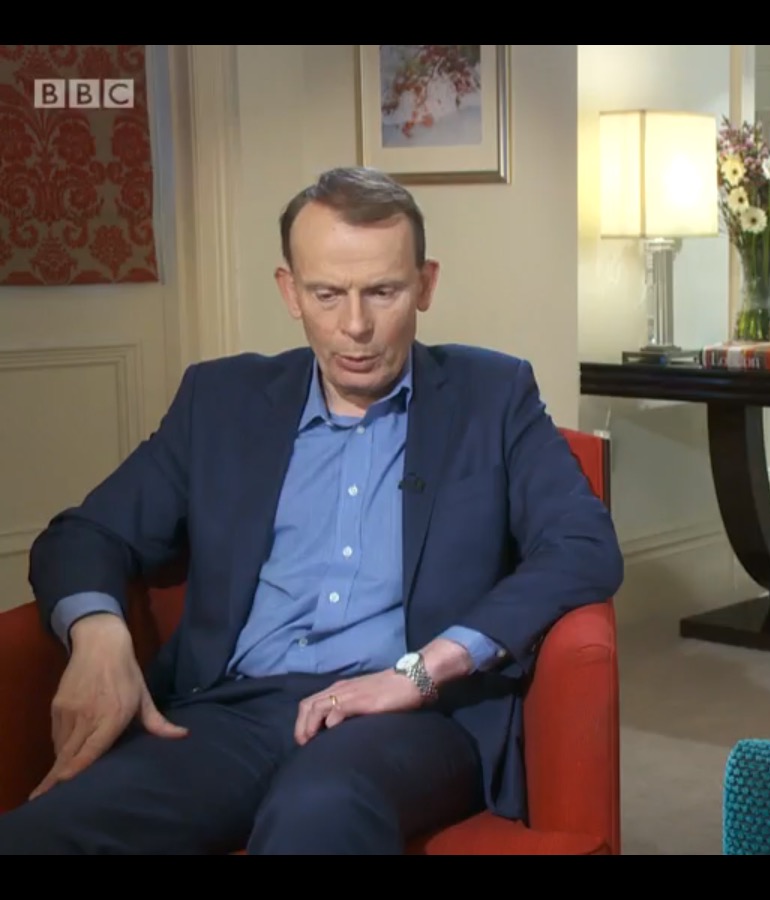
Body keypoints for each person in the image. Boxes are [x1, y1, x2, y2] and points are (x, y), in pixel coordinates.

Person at [0, 166, 624, 854]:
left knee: (318, 811)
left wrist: (419, 673)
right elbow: (86, 534)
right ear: (289, 290)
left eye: (383, 291)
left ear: (425, 284)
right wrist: (99, 636)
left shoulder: (493, 395)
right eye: (328, 294)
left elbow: (582, 545)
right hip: (229, 714)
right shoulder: (221, 401)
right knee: (43, 833)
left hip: (407, 719)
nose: (355, 326)